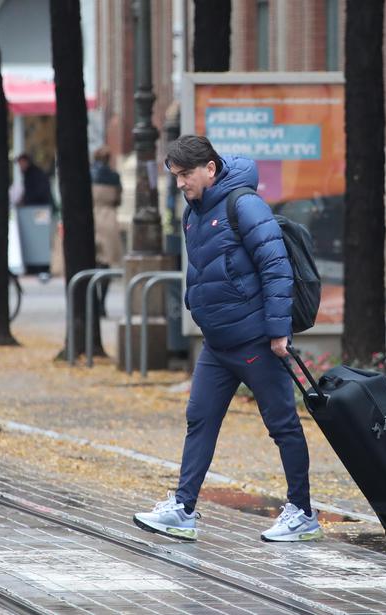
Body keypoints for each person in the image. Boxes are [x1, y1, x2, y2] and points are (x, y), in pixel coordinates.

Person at [133, 135, 322, 543]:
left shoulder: (244, 204)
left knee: (282, 424)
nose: (181, 183)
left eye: (186, 175)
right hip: (217, 344)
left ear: (210, 169)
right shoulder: (194, 212)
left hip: (255, 339)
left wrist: (277, 332)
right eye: (176, 176)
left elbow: (275, 267)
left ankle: (302, 512)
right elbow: (202, 267)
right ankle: (183, 508)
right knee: (199, 419)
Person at [90, 146, 123, 314]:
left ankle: (93, 303)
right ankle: (102, 303)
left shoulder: (89, 175)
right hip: (109, 220)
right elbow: (118, 200)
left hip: (91, 218)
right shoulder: (114, 176)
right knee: (106, 263)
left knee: (91, 262)